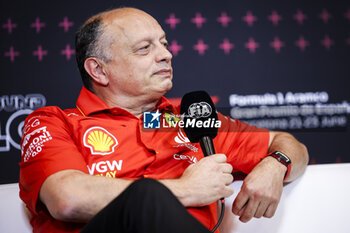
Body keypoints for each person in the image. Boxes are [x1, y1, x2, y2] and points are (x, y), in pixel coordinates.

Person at [19, 7, 309, 233]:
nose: (166, 55)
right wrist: (185, 189)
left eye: (164, 44)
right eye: (145, 48)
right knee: (145, 197)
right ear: (99, 70)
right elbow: (67, 198)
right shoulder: (54, 122)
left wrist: (276, 163)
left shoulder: (193, 119)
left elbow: (289, 145)